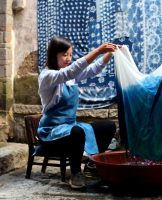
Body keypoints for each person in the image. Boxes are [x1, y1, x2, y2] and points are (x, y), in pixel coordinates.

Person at [37, 36, 118, 189]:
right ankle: (75, 174)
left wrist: (111, 53)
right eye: (64, 55)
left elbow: (93, 69)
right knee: (77, 132)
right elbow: (71, 71)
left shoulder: (69, 76)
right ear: (54, 55)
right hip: (51, 131)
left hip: (70, 127)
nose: (69, 58)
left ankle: (92, 164)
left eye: (70, 54)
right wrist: (99, 50)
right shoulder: (47, 76)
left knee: (108, 126)